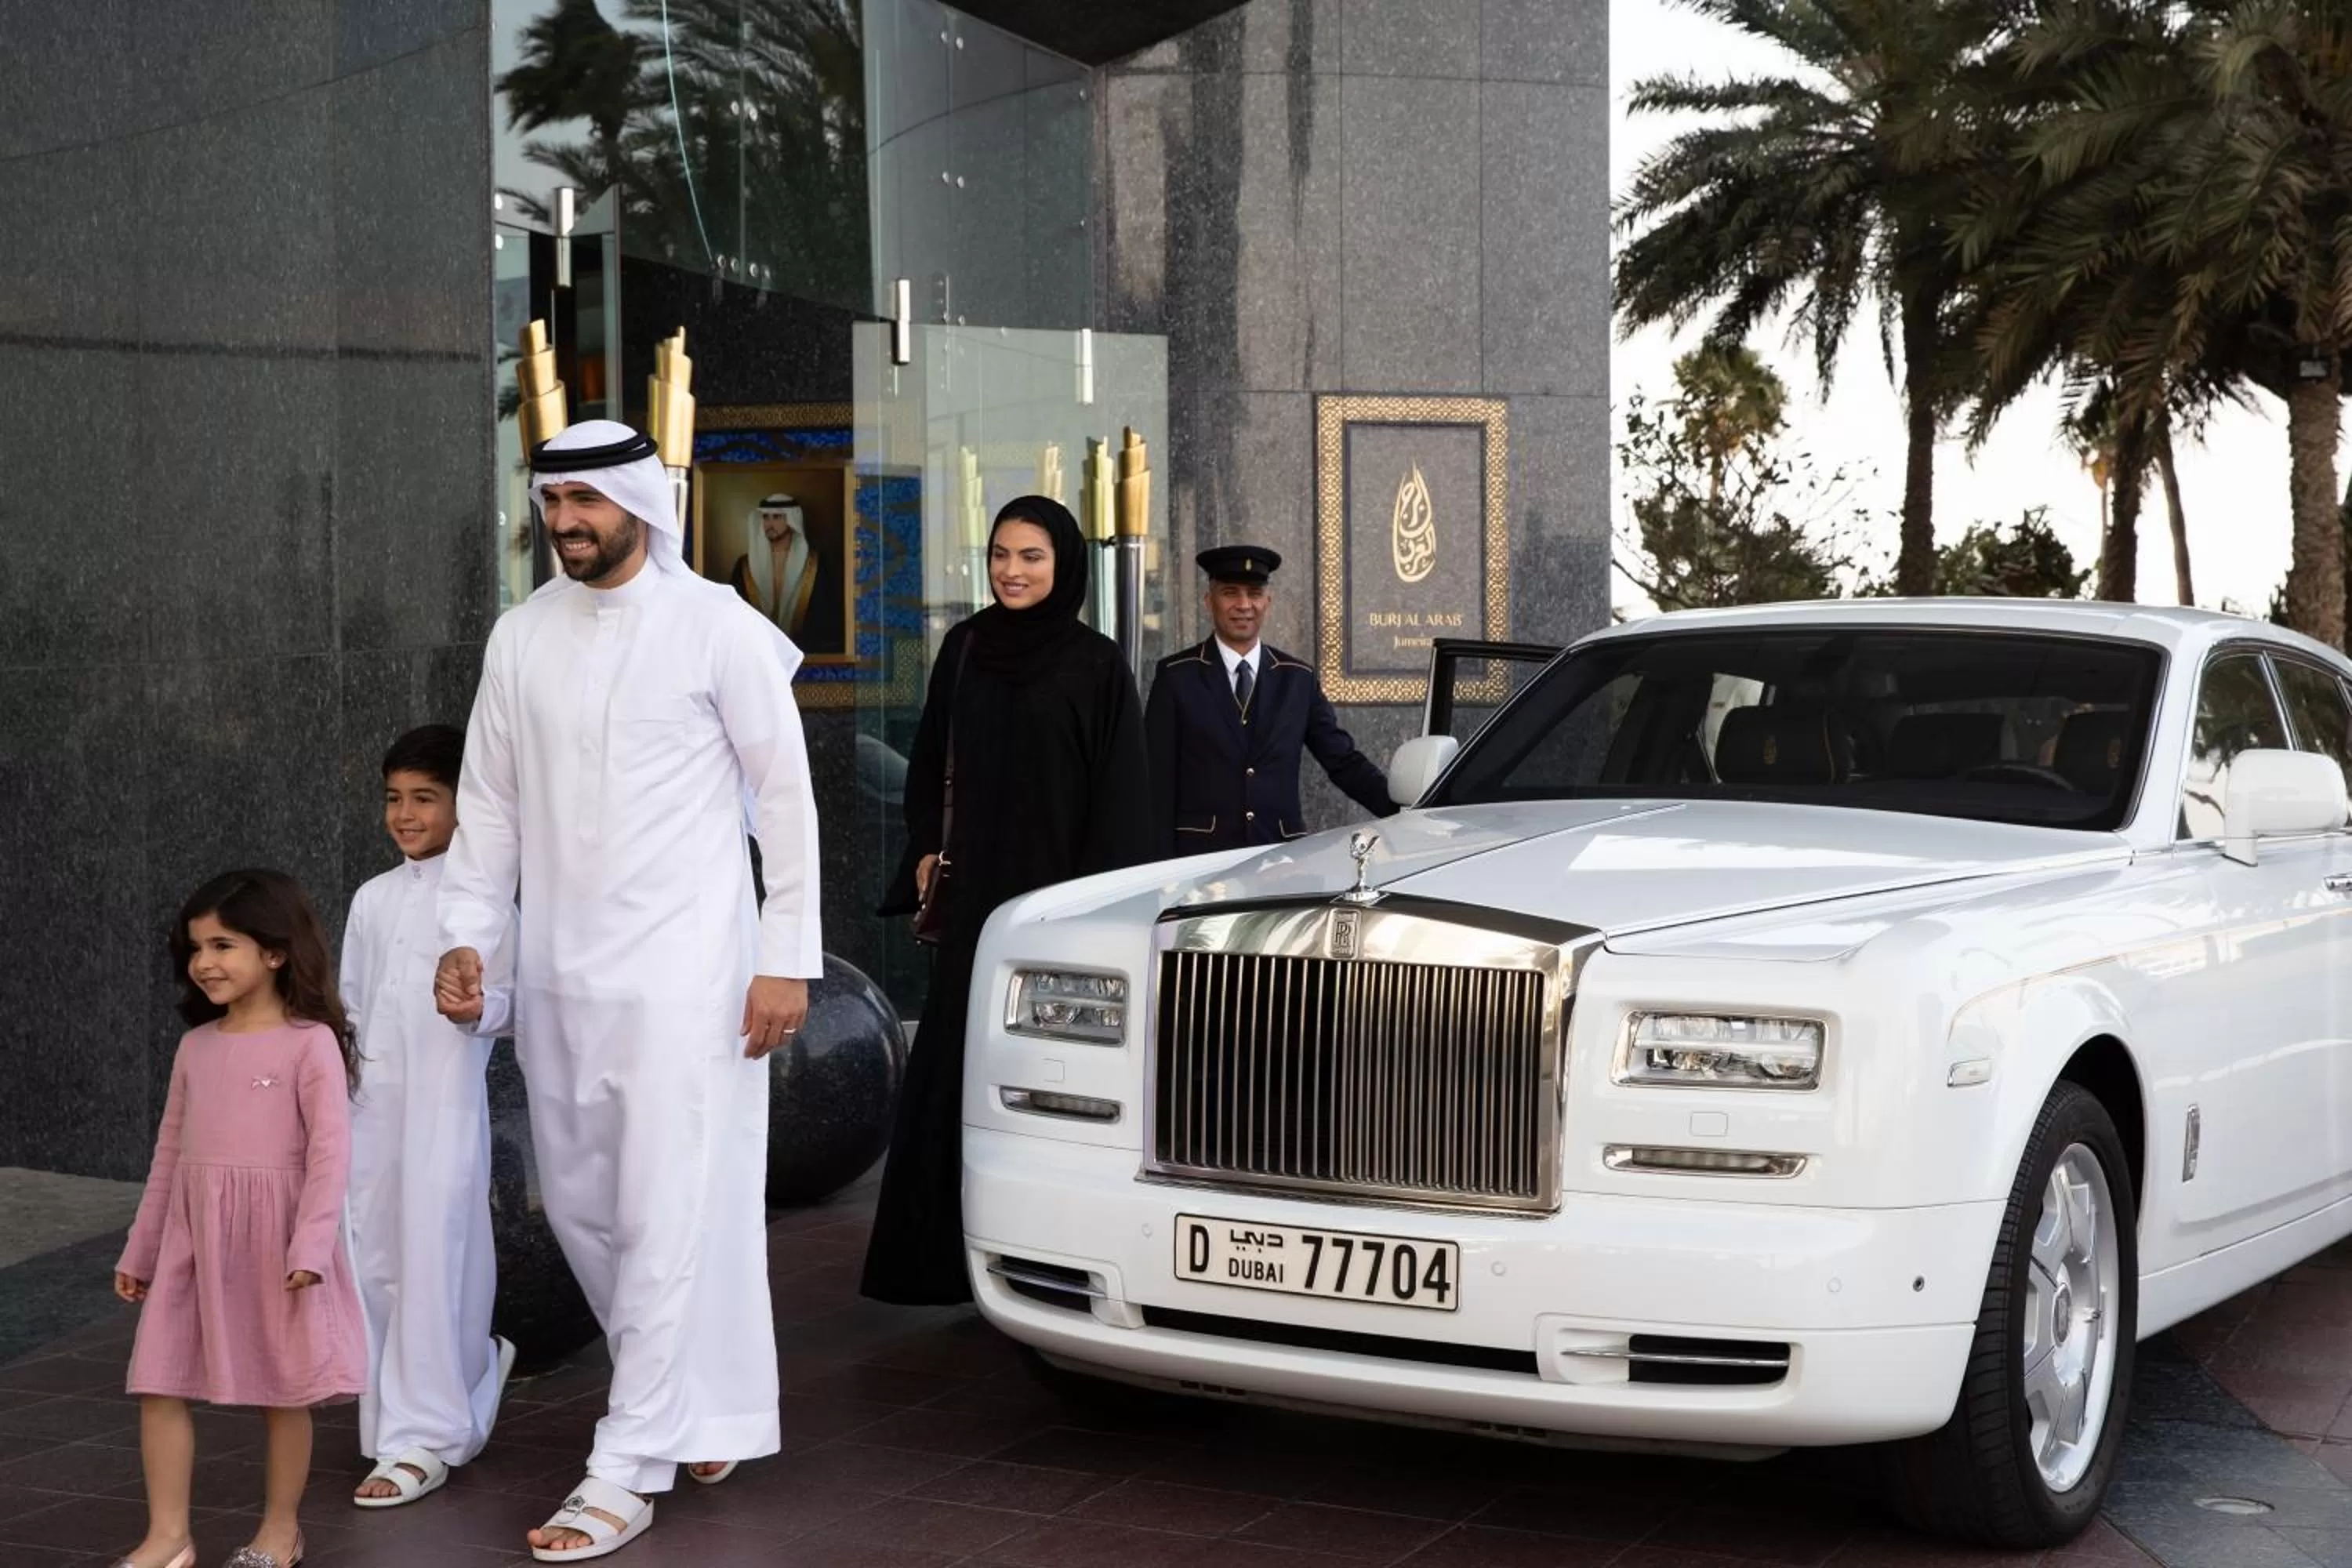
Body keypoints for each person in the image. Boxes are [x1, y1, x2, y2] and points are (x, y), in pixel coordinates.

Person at [434, 419, 821, 1562]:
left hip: (691, 982)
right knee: (589, 1209)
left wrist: (784, 957)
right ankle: (696, 1396)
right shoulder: (520, 637)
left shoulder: (718, 630)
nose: (566, 526)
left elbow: (786, 802)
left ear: (639, 506)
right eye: (552, 508)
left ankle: (626, 1463)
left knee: (664, 1212)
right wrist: (470, 937)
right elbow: (490, 805)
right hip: (560, 976)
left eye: (585, 507)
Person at [861, 495, 1152, 1306]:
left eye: (1030, 556)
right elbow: (927, 764)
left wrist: (1098, 909)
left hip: (1057, 909)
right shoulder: (966, 648)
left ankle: (1053, 1263)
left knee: (1049, 1081)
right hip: (975, 901)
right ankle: (936, 1264)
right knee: (956, 1070)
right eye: (999, 554)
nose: (1012, 571)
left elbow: (1120, 799)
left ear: (1063, 564)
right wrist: (924, 847)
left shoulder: (1096, 665)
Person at [111, 869, 368, 1568]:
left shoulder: (308, 1042)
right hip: (195, 1244)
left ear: (276, 952)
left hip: (278, 1244)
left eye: (223, 944)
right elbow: (169, 1154)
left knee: (281, 1390)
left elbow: (329, 1155)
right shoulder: (196, 1048)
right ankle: (169, 1538)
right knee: (158, 1380)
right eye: (195, 948)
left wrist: (311, 1245)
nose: (204, 963)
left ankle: (279, 1531)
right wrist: (142, 1250)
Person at [343, 724, 517, 1508]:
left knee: (437, 1253)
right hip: (369, 1111)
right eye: (393, 798)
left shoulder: (486, 904)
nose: (404, 815)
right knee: (374, 1256)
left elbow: (517, 1004)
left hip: (445, 1107)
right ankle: (396, 1422)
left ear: (463, 804)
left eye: (424, 798)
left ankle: (430, 1433)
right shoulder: (373, 899)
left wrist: (481, 1009)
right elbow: (348, 1007)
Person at [1145, 544, 1396, 855]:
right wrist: (1158, 868)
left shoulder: (1297, 678)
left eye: (1254, 593)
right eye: (1230, 593)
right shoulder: (1176, 676)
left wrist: (1405, 810)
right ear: (1209, 601)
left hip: (1280, 859)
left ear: (1268, 601)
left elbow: (1342, 760)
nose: (1243, 605)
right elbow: (1156, 779)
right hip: (1200, 858)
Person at [727, 491, 846, 654]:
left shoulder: (815, 565)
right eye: (766, 518)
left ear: (791, 520)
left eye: (777, 517)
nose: (769, 524)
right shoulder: (744, 567)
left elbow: (825, 619)